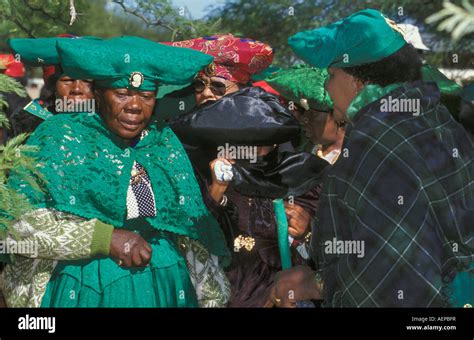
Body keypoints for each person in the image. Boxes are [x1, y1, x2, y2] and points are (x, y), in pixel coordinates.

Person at [2, 36, 230, 308]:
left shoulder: (163, 142)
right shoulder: (61, 136)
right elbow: (15, 228)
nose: (134, 106)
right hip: (81, 289)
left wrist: (212, 297)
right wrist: (104, 238)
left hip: (164, 287)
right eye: (122, 94)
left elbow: (190, 230)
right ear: (98, 94)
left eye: (146, 96)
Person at [270, 9, 473, 307]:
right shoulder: (433, 119)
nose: (327, 86)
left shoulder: (378, 140)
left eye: (331, 75)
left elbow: (394, 274)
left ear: (356, 81)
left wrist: (318, 283)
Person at [7, 35, 96, 137]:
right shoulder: (29, 121)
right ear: (52, 85)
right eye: (68, 80)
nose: (76, 89)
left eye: (86, 81)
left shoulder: (108, 120)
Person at [265, 64, 346, 165]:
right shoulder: (306, 152)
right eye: (304, 112)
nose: (304, 119)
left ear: (340, 117)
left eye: (313, 114)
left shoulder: (353, 159)